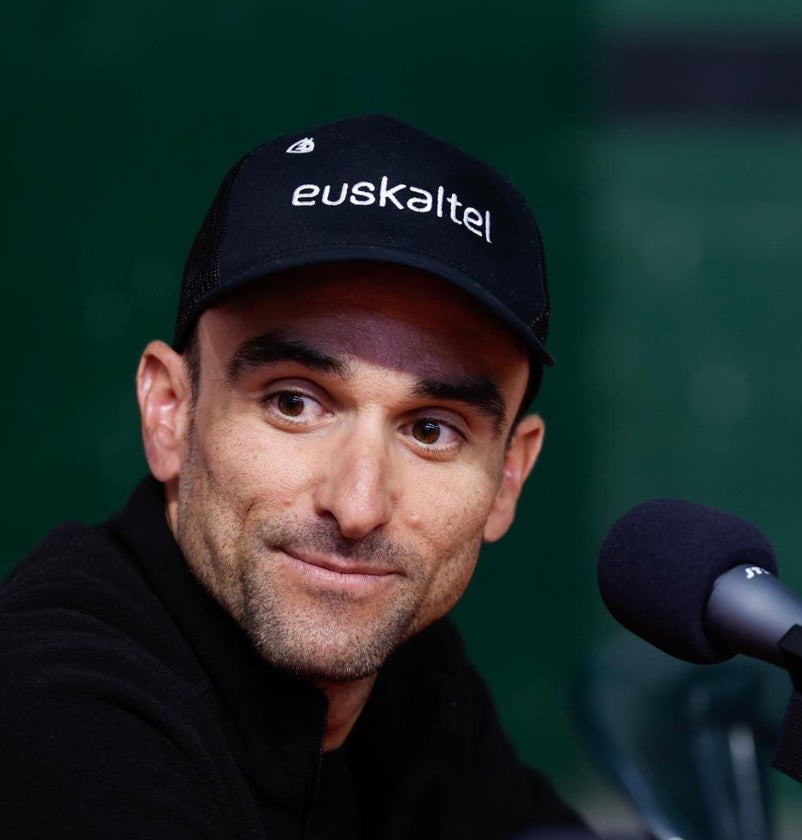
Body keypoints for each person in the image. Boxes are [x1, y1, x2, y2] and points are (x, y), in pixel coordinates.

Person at [0, 115, 595, 839]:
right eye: (294, 403)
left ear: (507, 479)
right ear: (170, 413)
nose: (357, 506)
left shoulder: (410, 676)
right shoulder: (53, 711)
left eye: (431, 430)